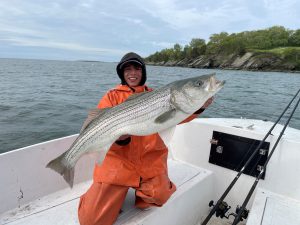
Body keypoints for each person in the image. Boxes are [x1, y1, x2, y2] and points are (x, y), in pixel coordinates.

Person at [78, 52, 213, 225]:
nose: (132, 73)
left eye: (137, 68)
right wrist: (121, 139)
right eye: (127, 69)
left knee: (159, 196)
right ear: (121, 73)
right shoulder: (111, 97)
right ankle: (101, 193)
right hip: (118, 164)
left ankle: (141, 193)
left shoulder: (155, 95)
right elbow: (101, 132)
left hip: (149, 163)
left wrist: (198, 108)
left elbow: (176, 116)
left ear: (143, 72)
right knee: (91, 220)